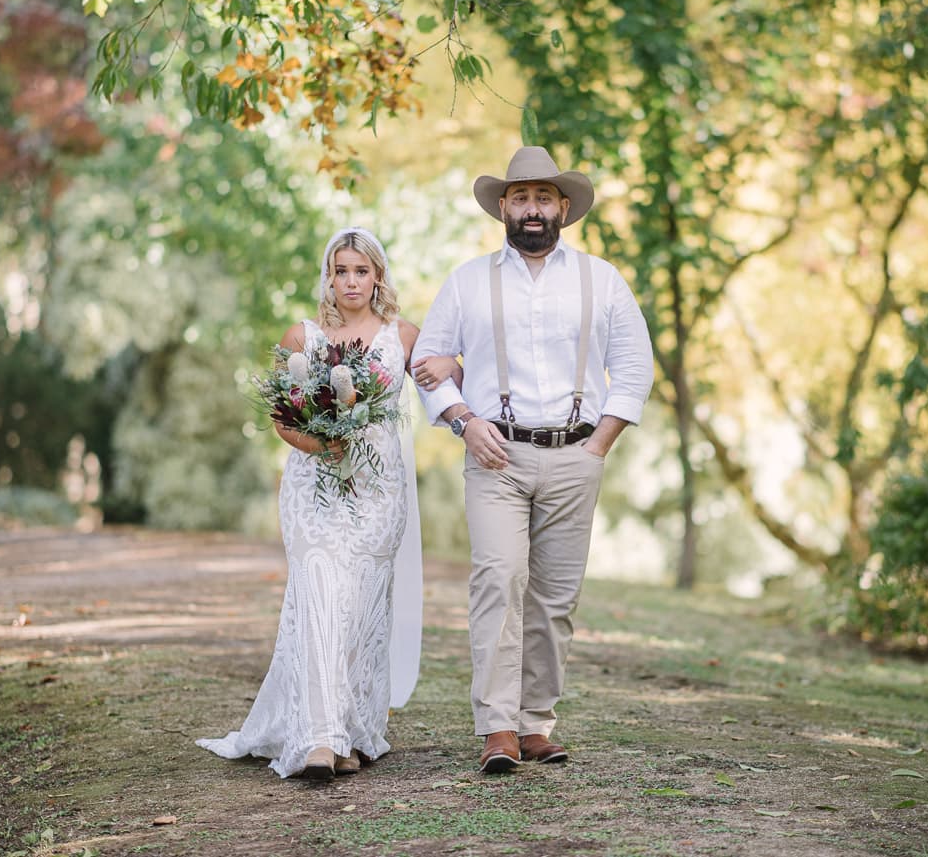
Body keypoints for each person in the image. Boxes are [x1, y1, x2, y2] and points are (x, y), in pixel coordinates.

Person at [411, 145, 654, 774]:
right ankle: (497, 725)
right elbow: (429, 364)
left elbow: (633, 368)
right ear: (503, 208)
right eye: (520, 197)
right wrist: (464, 423)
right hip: (496, 457)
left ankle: (537, 723)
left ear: (563, 207)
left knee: (554, 596)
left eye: (543, 196)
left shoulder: (602, 279)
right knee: (498, 578)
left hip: (576, 453)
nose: (532, 208)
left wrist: (598, 445)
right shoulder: (467, 280)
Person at [198, 227, 453, 781]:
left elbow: (446, 377)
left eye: (361, 270)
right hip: (314, 493)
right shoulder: (303, 336)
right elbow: (280, 418)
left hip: (378, 493)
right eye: (341, 271)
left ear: (377, 275)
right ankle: (319, 737)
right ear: (328, 276)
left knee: (360, 608)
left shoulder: (403, 336)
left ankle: (353, 733)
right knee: (318, 591)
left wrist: (452, 366)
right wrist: (322, 442)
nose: (351, 281)